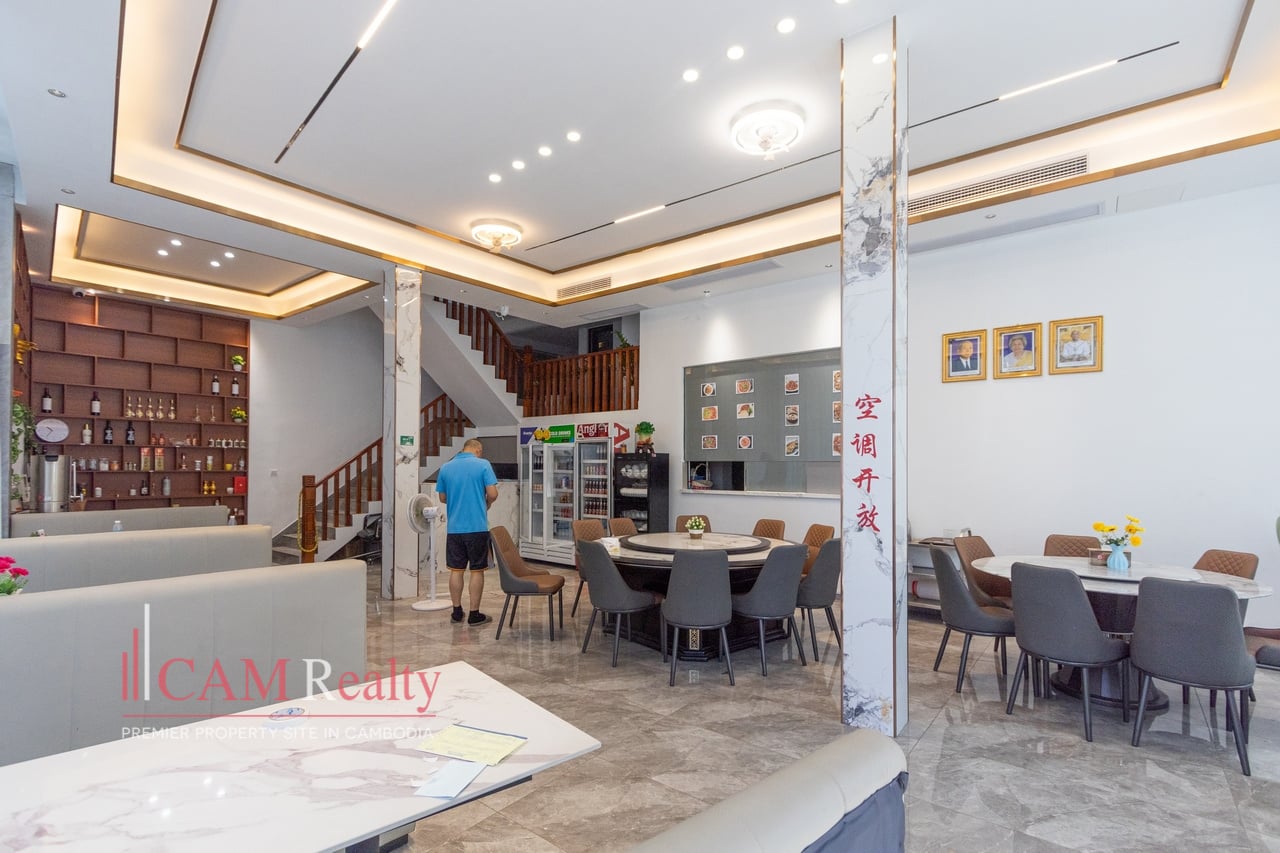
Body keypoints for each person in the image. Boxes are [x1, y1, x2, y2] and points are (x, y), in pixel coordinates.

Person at [436, 438, 498, 625]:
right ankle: (474, 614)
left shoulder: (445, 467)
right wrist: (486, 503)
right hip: (477, 527)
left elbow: (442, 497)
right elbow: (493, 493)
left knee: (456, 570)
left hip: (454, 529)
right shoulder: (483, 464)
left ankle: (456, 612)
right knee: (477, 571)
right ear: (478, 450)